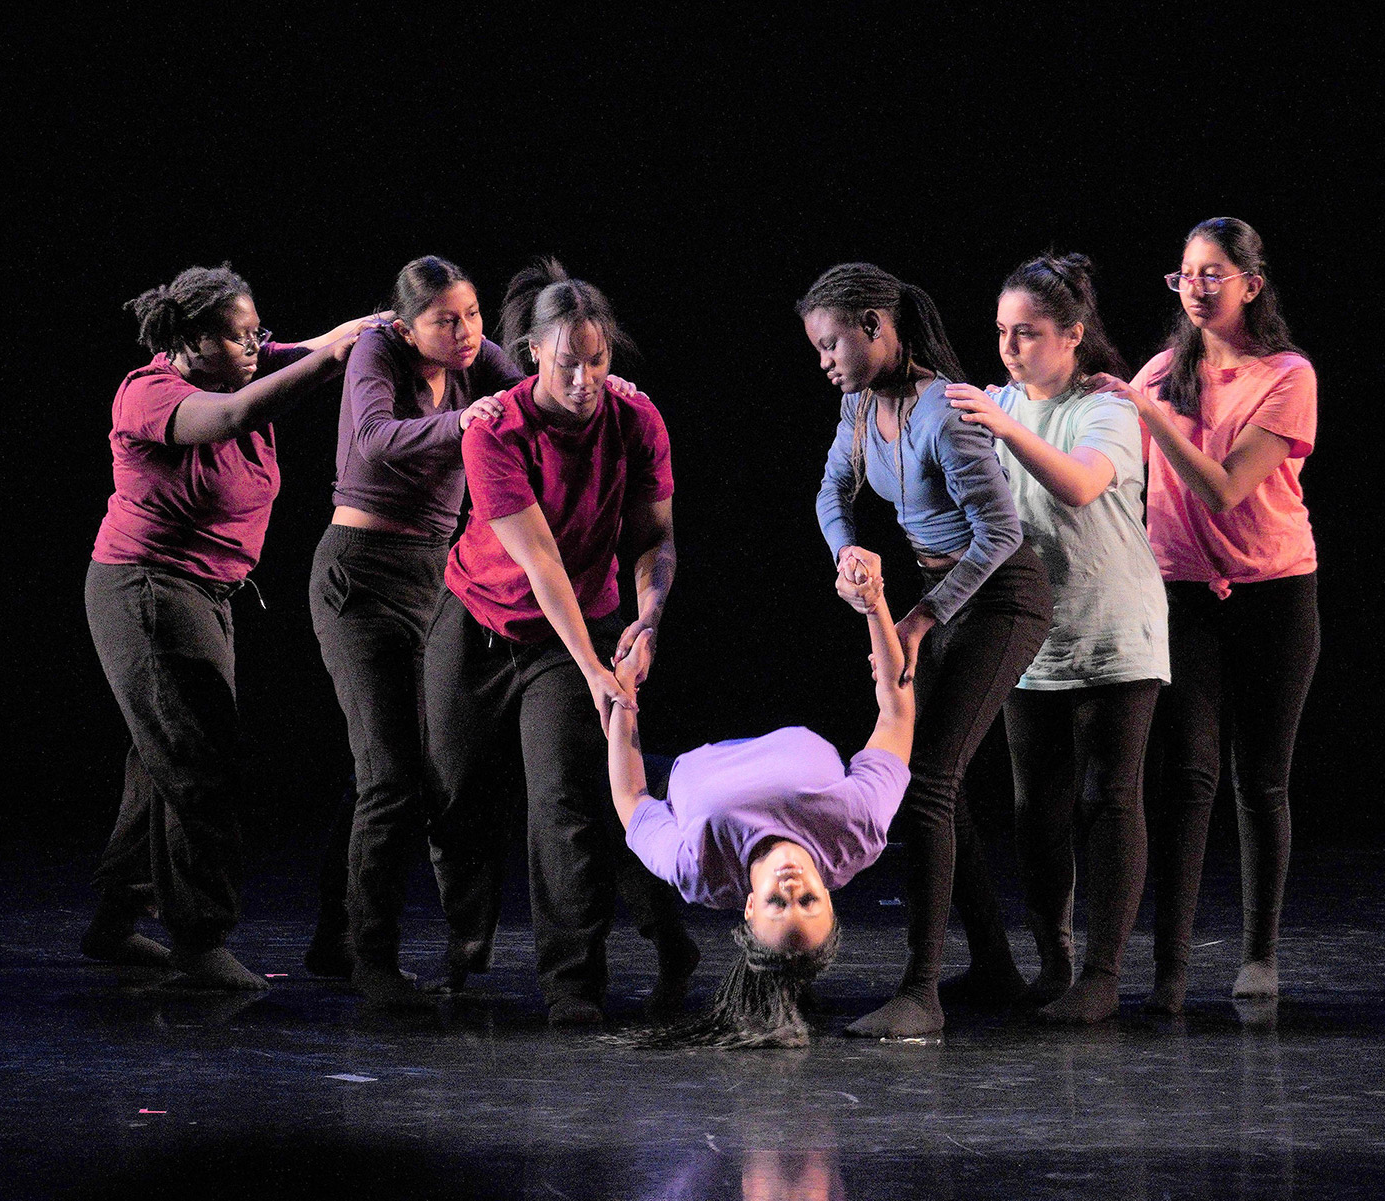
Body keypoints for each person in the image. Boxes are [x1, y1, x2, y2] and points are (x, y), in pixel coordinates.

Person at [83, 262, 377, 989]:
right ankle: (198, 935)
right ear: (190, 337)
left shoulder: (234, 366)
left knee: (161, 758)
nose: (255, 347)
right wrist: (325, 359)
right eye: (239, 336)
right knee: (199, 757)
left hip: (206, 591)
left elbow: (322, 344)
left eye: (259, 333)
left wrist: (379, 329)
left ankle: (115, 921)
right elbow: (237, 415)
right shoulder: (151, 393)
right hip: (146, 588)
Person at [421, 258, 695, 1026]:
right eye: (568, 363)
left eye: (599, 363)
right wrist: (597, 671)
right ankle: (466, 938)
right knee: (456, 789)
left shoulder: (636, 419)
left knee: (566, 801)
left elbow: (655, 540)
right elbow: (539, 560)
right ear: (535, 351)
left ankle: (572, 984)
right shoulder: (496, 429)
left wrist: (647, 619)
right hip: (480, 617)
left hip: (576, 630)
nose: (584, 380)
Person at [802, 262, 1054, 1038]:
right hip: (942, 602)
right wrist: (848, 552)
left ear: (876, 325)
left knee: (930, 782)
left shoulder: (945, 411)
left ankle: (922, 993)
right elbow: (830, 493)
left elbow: (1002, 534)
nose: (825, 362)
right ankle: (993, 966)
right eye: (817, 348)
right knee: (928, 783)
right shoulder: (858, 408)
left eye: (832, 342)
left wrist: (916, 621)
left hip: (1003, 598)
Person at [945, 251, 1169, 1024]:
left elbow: (1078, 484)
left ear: (1073, 335)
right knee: (1034, 803)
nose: (1010, 347)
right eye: (1003, 331)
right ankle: (1054, 961)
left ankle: (1103, 973)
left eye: (1029, 332)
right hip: (1033, 634)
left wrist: (1005, 422)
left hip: (1114, 624)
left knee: (1108, 795)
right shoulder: (997, 404)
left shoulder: (1103, 407)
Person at [304, 256, 517, 1005]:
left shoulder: (473, 356)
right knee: (391, 777)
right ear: (406, 324)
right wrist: (462, 420)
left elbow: (532, 393)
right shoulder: (378, 350)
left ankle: (336, 935)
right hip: (360, 578)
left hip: (439, 581)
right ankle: (374, 961)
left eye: (472, 314)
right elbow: (373, 437)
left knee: (401, 772)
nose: (465, 332)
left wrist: (598, 386)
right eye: (445, 320)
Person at [1125, 217, 1320, 1011]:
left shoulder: (1286, 375)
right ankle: (1170, 973)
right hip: (1179, 595)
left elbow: (1226, 487)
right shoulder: (1160, 373)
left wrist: (1147, 416)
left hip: (1274, 595)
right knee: (1187, 778)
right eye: (1185, 274)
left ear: (1251, 282)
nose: (1197, 287)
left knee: (1260, 780)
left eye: (1213, 273)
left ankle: (1259, 955)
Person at [606, 557, 914, 1047]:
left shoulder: (699, 868)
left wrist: (624, 695)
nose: (792, 888)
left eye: (777, 902)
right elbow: (896, 716)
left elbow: (631, 797)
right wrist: (874, 604)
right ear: (830, 898)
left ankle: (663, 943)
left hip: (682, 727)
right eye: (808, 901)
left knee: (594, 802)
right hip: (791, 679)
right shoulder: (856, 829)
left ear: (749, 906)